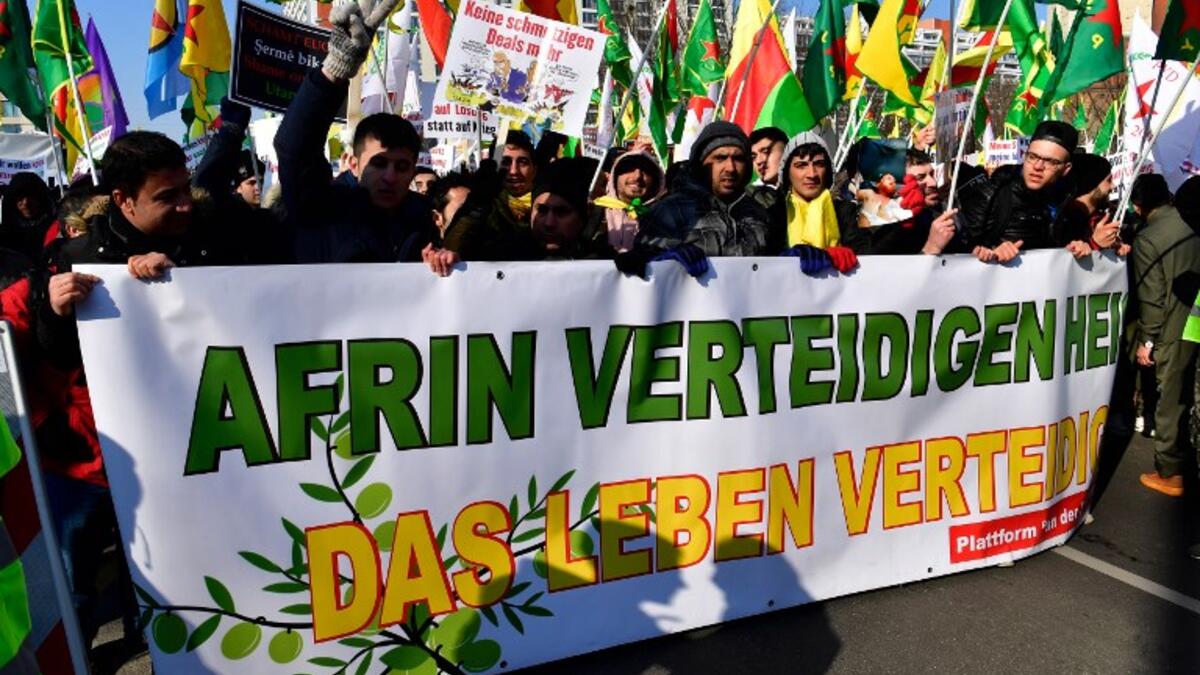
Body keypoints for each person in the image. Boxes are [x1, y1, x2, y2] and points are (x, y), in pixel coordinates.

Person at [274, 0, 436, 264]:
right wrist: (334, 72)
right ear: (354, 164)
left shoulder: (421, 219)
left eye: (402, 166)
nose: (390, 177)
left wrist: (444, 263)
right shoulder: (322, 207)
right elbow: (294, 148)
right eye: (379, 163)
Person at [1130, 174, 1200, 498]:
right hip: (1193, 317)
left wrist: (1147, 341)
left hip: (1177, 326)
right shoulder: (1190, 220)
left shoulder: (1149, 237)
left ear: (1137, 205)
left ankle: (1169, 473)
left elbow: (1152, 297)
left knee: (1171, 401)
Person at [628, 121, 778, 272]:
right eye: (720, 158)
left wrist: (791, 260)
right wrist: (660, 260)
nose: (731, 168)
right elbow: (640, 274)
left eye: (738, 158)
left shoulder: (759, 213)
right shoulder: (670, 211)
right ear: (701, 164)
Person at [956, 120, 1076, 263]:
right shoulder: (991, 194)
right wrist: (991, 252)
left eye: (1050, 161)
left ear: (1066, 169)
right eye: (1033, 157)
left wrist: (1086, 246)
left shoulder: (1066, 201)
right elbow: (959, 255)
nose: (1038, 166)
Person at [768, 131, 858, 272]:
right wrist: (785, 259)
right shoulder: (773, 214)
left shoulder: (847, 212)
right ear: (787, 173)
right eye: (801, 165)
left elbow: (870, 257)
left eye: (819, 164)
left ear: (828, 170)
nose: (812, 174)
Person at [442, 131, 539, 260]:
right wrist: (477, 206)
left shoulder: (548, 205)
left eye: (522, 162)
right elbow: (452, 248)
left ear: (534, 169)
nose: (514, 171)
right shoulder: (485, 206)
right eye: (505, 162)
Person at [590, 150, 666, 255]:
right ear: (615, 175)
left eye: (646, 171)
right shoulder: (593, 212)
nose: (637, 176)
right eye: (628, 169)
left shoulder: (664, 218)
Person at [1053, 153, 1127, 258]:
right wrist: (1094, 244)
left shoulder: (1099, 218)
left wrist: (1114, 248)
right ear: (1091, 184)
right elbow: (1059, 262)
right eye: (1108, 180)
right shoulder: (1063, 221)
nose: (1113, 186)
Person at [0, 172, 55, 259]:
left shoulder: (57, 230)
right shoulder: (5, 235)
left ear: (41, 198)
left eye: (31, 196)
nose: (26, 203)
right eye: (20, 198)